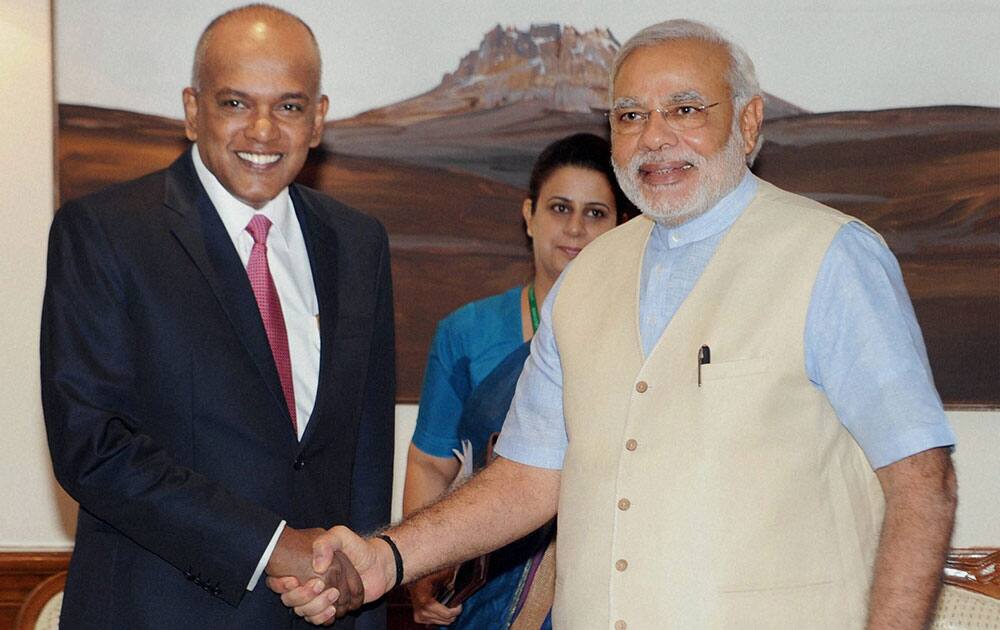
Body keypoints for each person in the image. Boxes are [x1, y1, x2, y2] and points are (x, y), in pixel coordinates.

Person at [273, 19, 958, 630]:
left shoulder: (831, 256)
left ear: (748, 123)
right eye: (630, 115)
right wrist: (385, 559)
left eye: (685, 110)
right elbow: (525, 480)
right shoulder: (588, 276)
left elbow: (920, 480)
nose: (654, 137)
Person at [40, 5, 392, 629]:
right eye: (235, 103)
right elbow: (92, 446)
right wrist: (268, 545)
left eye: (288, 106)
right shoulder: (105, 233)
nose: (262, 131)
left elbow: (363, 459)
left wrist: (358, 605)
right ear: (191, 109)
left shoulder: (358, 243)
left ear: (318, 120)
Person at [403, 133, 631, 628]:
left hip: (599, 585)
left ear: (622, 226)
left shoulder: (638, 338)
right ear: (529, 214)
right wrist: (422, 567)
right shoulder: (466, 332)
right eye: (559, 208)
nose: (575, 228)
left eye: (596, 213)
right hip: (484, 589)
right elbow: (429, 462)